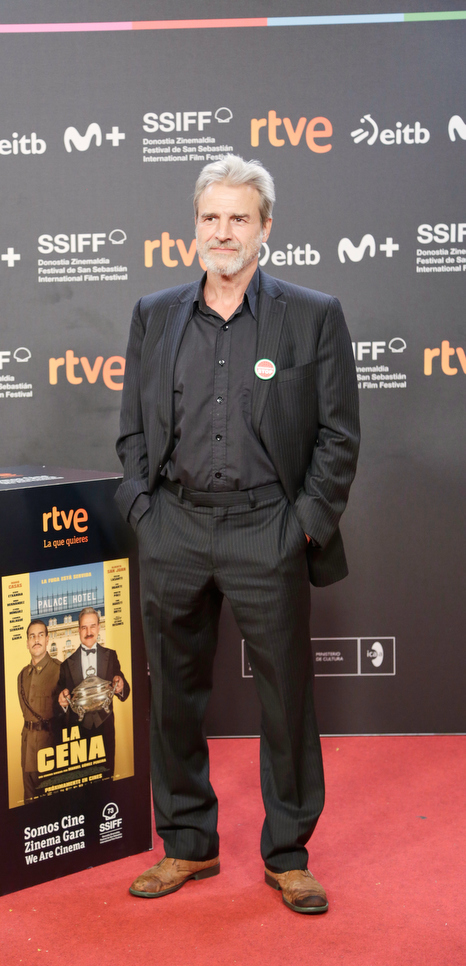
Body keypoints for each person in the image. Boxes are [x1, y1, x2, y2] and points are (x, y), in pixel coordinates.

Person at [116, 155, 359, 912]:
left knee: (286, 700)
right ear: (194, 226)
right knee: (172, 696)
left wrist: (303, 527)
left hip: (267, 530)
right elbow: (133, 429)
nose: (223, 232)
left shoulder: (312, 314)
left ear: (265, 227)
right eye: (210, 217)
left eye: (239, 218)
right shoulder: (155, 314)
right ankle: (187, 844)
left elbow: (339, 436)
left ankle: (288, 854)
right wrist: (143, 511)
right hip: (175, 528)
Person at [58, 607, 130, 779]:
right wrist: (61, 701)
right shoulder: (66, 664)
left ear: (98, 627)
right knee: (81, 783)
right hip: (78, 734)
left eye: (92, 626)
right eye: (84, 627)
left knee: (106, 780)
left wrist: (120, 686)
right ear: (78, 630)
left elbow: (125, 690)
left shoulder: (110, 656)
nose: (88, 632)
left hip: (105, 730)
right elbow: (59, 701)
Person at [18, 619, 62, 801]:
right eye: (32, 636)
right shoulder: (22, 675)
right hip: (27, 748)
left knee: (52, 803)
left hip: (50, 747)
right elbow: (25, 711)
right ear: (27, 642)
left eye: (40, 635)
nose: (36, 640)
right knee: (29, 801)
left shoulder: (60, 670)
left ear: (47, 639)